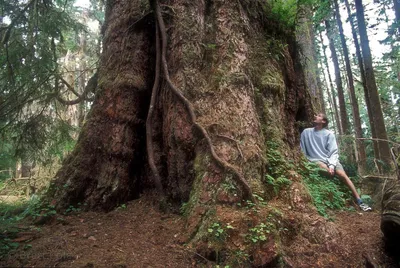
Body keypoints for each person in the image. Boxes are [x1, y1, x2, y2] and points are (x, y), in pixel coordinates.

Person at [300, 113, 372, 212]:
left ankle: (359, 200)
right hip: (315, 160)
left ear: (323, 121)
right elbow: (302, 150)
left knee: (343, 174)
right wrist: (305, 160)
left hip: (330, 159)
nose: (316, 115)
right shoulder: (306, 132)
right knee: (324, 167)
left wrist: (332, 165)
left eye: (319, 115)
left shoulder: (329, 134)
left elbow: (333, 152)